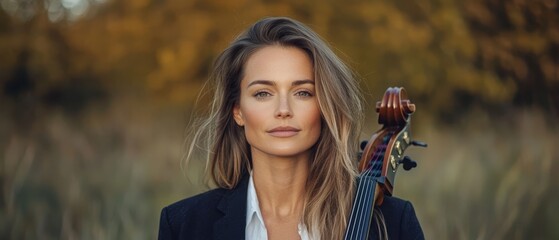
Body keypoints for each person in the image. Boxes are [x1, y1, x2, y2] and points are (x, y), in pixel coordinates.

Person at [158, 17, 424, 240]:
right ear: (237, 111)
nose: (283, 109)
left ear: (324, 106)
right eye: (263, 93)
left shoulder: (393, 223)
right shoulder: (185, 225)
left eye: (303, 93)